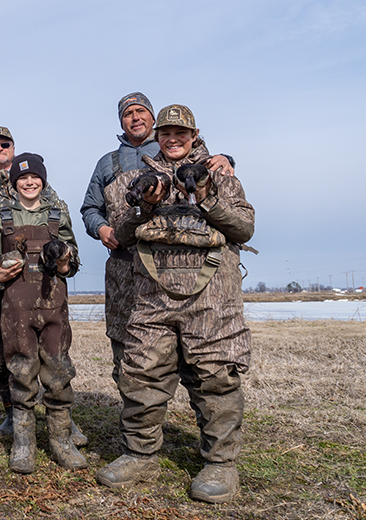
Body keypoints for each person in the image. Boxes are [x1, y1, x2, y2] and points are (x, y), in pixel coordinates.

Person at [95, 104, 254, 504]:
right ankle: (140, 454)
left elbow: (244, 227)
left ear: (194, 135)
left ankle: (220, 463)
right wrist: (145, 205)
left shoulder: (221, 176)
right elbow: (121, 235)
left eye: (181, 133)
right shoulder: (135, 178)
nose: (173, 139)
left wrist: (206, 196)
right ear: (157, 136)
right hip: (152, 298)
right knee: (142, 375)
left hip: (211, 297)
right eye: (166, 133)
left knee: (215, 377)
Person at [80, 93, 234, 386]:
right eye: (128, 114)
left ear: (153, 118)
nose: (135, 117)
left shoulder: (171, 150)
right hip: (125, 267)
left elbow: (206, 166)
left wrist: (226, 158)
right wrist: (101, 229)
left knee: (193, 350)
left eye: (141, 111)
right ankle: (138, 407)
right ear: (121, 122)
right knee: (129, 350)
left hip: (176, 266)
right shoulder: (107, 164)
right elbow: (90, 208)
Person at [0, 127, 88, 446]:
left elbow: (59, 227)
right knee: (2, 348)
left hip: (38, 284)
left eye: (4, 144)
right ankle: (13, 413)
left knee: (51, 349)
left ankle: (62, 419)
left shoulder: (36, 183)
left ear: (13, 148)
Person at [0, 153, 86, 474]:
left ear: (43, 180)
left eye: (35, 178)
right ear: (15, 183)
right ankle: (23, 443)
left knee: (59, 372)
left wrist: (65, 259)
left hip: (54, 306)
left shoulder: (57, 214)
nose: (29, 183)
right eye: (23, 178)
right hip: (16, 309)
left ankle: (62, 441)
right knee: (21, 373)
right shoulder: (2, 216)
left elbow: (73, 261)